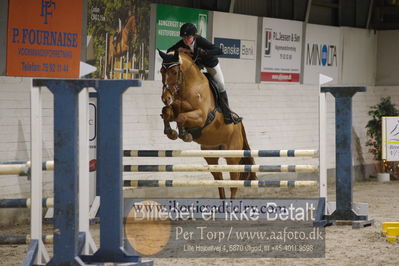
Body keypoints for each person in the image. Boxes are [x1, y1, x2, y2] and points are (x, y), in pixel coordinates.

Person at [167, 23, 242, 124]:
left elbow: (219, 50)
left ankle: (227, 114)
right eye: (183, 37)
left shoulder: (200, 41)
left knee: (221, 85)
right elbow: (169, 50)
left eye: (188, 37)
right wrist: (181, 50)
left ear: (194, 36)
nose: (185, 40)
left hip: (211, 64)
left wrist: (205, 52)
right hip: (197, 66)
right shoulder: (183, 43)